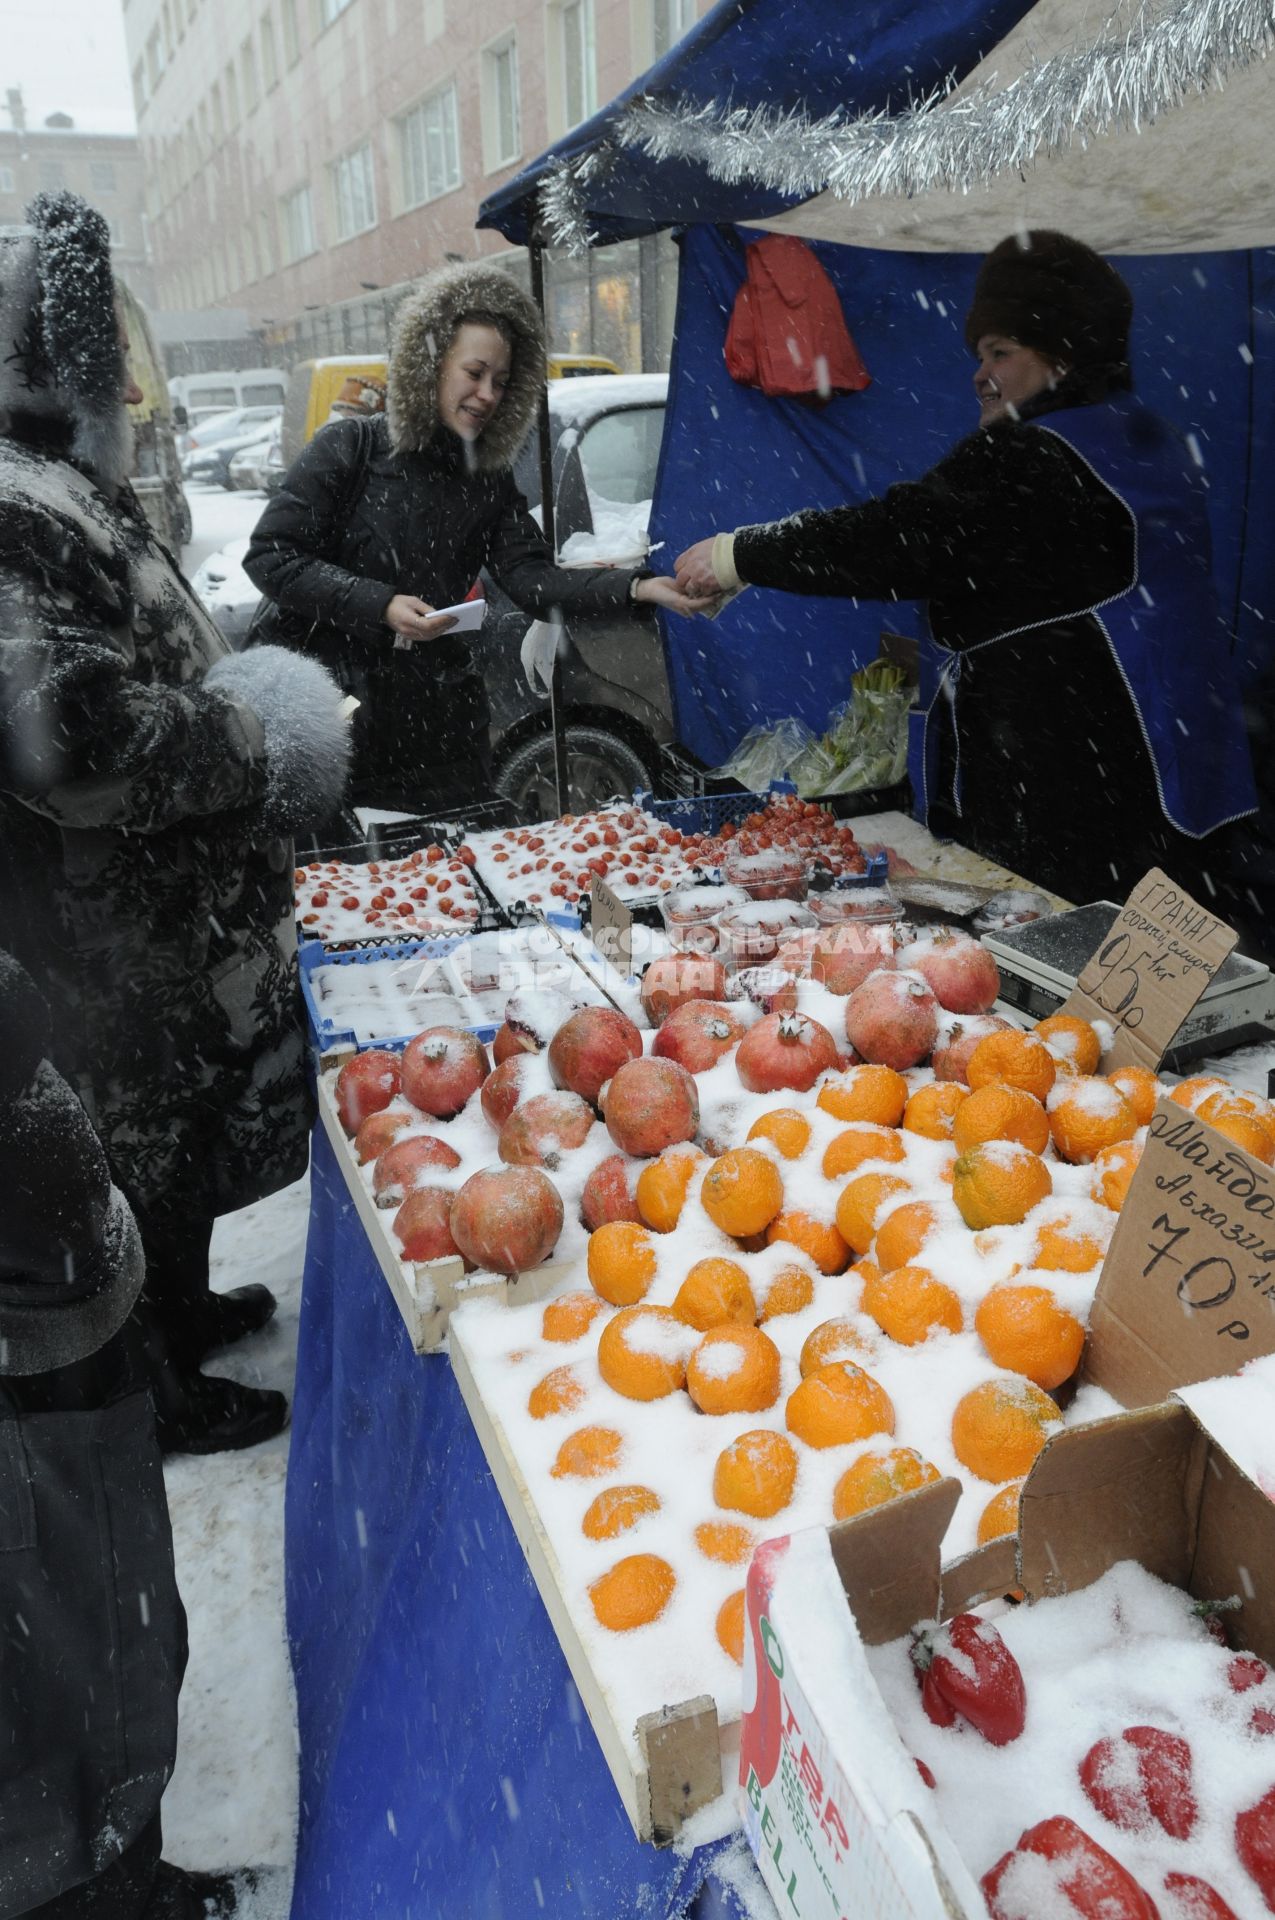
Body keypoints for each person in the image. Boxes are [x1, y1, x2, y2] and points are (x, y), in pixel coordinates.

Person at [0, 191, 352, 1454]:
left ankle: (184, 1312)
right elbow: (73, 745)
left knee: (179, 1152)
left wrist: (226, 665)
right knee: (135, 1158)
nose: (139, 388)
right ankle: (153, 1389)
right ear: (60, 361)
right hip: (106, 948)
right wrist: (254, 730)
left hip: (158, 937)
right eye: (117, 354)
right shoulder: (15, 501)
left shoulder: (60, 487)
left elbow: (139, 646)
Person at [675, 229, 1257, 908]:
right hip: (1172, 774)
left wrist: (737, 555)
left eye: (1000, 352)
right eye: (979, 354)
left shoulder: (1039, 458)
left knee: (1070, 968)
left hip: (1082, 793)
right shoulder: (1139, 439)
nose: (978, 374)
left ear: (1062, 359)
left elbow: (899, 537)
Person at [244, 259, 707, 816]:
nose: (488, 394)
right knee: (349, 881)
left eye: (503, 382)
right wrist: (380, 604)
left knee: (449, 873)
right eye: (475, 372)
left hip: (437, 723)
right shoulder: (352, 447)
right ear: (431, 365)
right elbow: (270, 556)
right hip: (335, 713)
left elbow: (533, 581)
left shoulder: (486, 480)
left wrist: (640, 589)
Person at [0, 947, 250, 1918]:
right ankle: (92, 1896)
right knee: (47, 1667)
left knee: (109, 1606)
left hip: (50, 1303)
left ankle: (117, 1872)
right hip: (24, 1347)